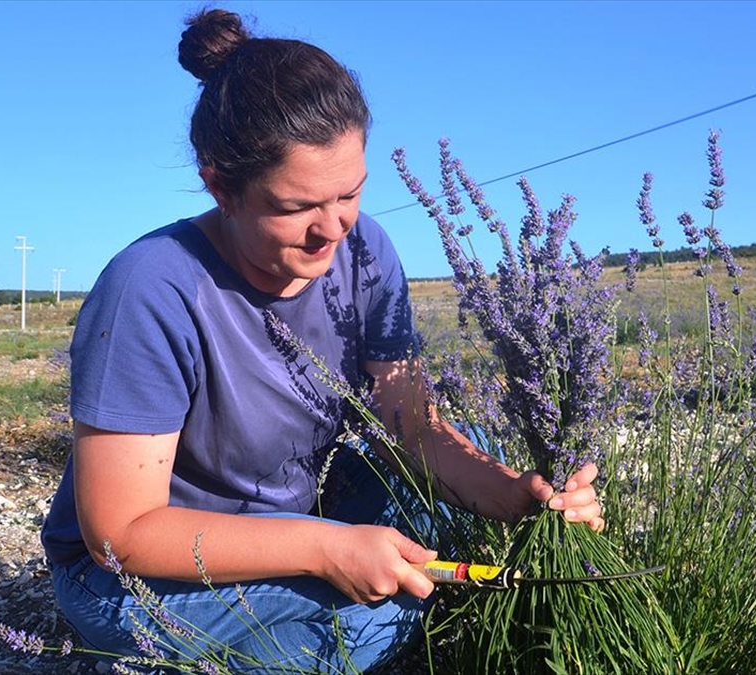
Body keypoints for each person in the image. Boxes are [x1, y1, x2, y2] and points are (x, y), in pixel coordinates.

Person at [39, 8, 604, 673]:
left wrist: (519, 494)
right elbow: (123, 535)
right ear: (220, 182)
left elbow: (413, 432)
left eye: (350, 194)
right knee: (374, 615)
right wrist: (328, 548)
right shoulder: (151, 288)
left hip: (296, 521)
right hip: (137, 576)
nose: (331, 229)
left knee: (489, 459)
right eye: (296, 206)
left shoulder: (364, 252)